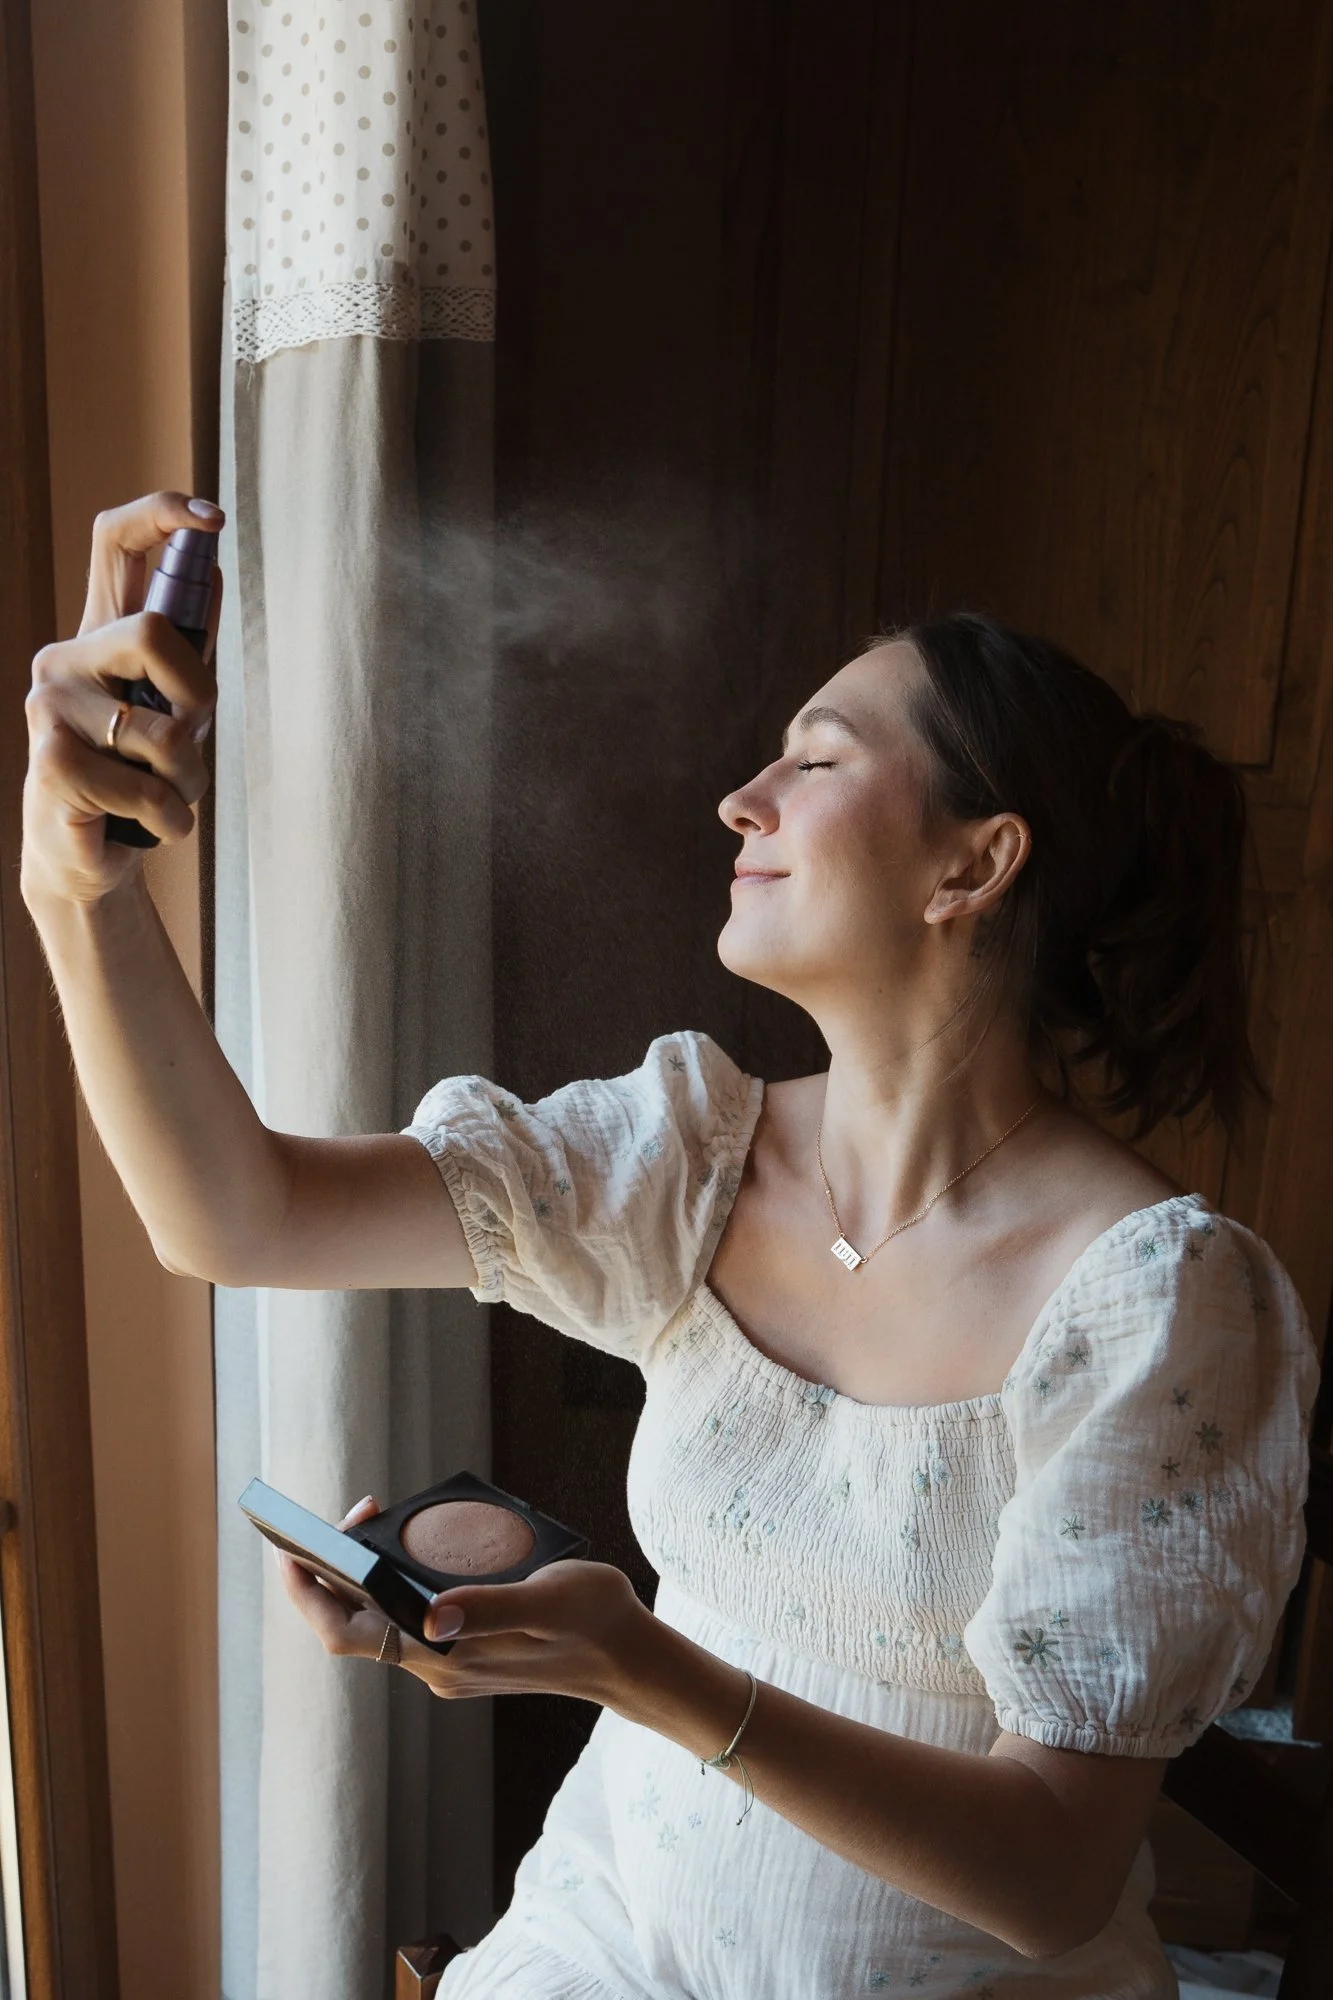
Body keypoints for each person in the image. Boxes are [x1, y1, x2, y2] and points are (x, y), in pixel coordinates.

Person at [23, 492, 1316, 2000]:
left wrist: (638, 1667)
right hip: (601, 1943)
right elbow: (232, 1217)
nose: (743, 799)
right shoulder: (689, 1155)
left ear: (973, 867)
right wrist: (74, 886)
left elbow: (1048, 1878)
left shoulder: (1165, 1304)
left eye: (820, 757)